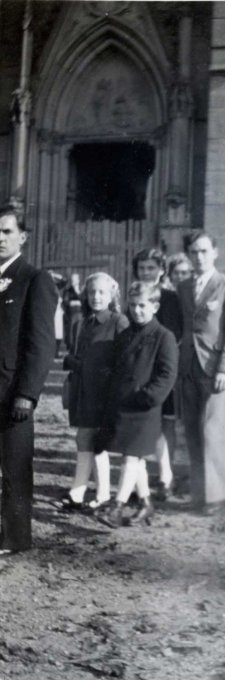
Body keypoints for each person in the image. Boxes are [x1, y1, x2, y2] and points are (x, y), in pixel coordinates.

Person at [0, 202, 57, 555]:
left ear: (23, 236)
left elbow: (40, 344)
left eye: (6, 231)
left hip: (10, 393)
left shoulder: (35, 279)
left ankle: (15, 538)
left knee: (15, 469)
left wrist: (27, 394)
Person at [98, 282, 178, 528]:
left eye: (142, 306)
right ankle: (145, 503)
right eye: (132, 306)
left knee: (130, 458)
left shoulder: (164, 336)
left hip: (144, 409)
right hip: (124, 406)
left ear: (155, 306)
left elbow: (166, 375)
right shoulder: (126, 334)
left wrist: (146, 397)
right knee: (134, 458)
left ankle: (118, 505)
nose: (137, 311)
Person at [177, 230, 225, 514]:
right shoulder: (182, 287)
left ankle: (215, 496)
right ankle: (198, 492)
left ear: (215, 253)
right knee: (192, 431)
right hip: (188, 367)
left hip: (214, 368)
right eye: (194, 252)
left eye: (204, 251)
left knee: (213, 432)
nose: (199, 257)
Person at [60, 273, 128, 512]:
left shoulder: (119, 322)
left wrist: (81, 365)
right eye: (91, 292)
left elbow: (123, 362)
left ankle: (92, 494)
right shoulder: (83, 322)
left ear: (111, 295)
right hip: (83, 391)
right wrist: (73, 362)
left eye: (102, 292)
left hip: (103, 394)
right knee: (84, 439)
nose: (96, 297)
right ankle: (86, 493)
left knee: (93, 440)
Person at [132, 248, 182, 498]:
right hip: (140, 369)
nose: (146, 273)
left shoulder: (171, 298)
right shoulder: (134, 296)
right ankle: (136, 480)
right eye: (141, 268)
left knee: (166, 423)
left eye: (151, 268)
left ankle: (166, 476)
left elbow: (175, 334)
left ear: (161, 270)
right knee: (139, 422)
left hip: (162, 368)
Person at [62, 272, 82, 350]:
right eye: (72, 280)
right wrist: (76, 302)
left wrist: (77, 293)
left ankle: (77, 351)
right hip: (71, 314)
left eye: (74, 280)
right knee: (70, 334)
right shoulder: (68, 291)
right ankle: (71, 350)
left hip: (81, 314)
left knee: (78, 333)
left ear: (78, 280)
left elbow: (84, 301)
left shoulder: (81, 290)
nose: (73, 281)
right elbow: (65, 302)